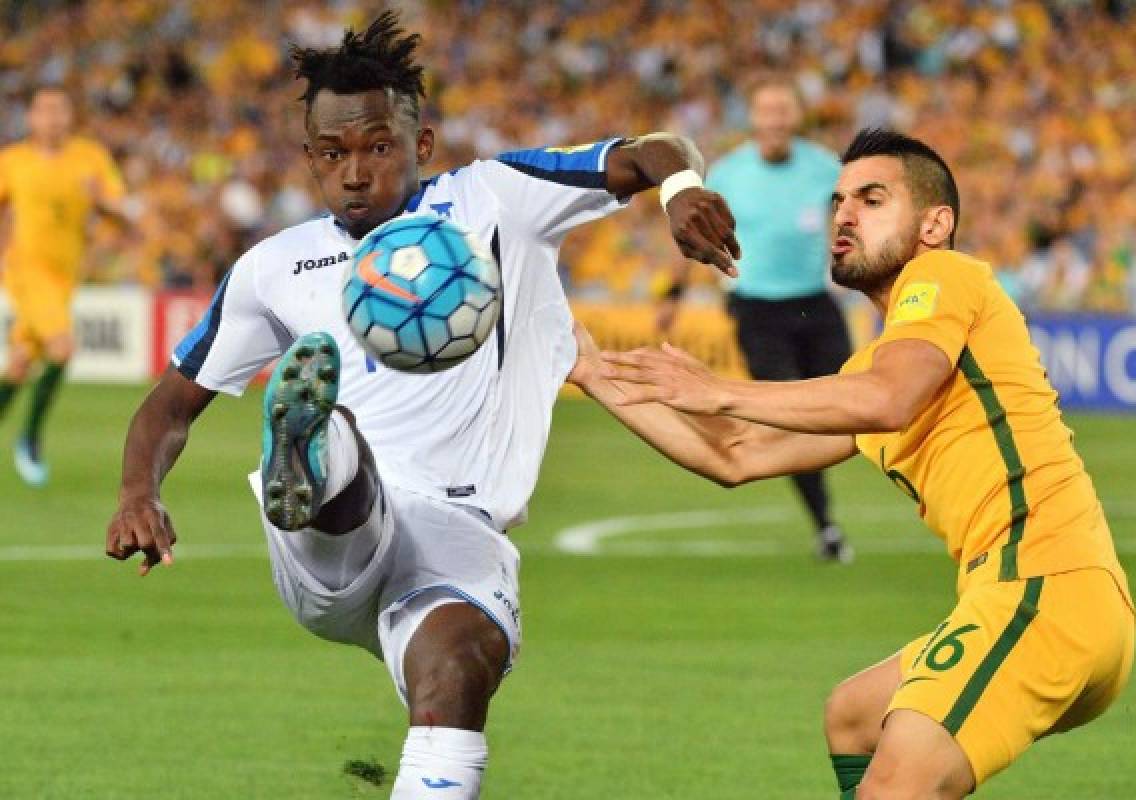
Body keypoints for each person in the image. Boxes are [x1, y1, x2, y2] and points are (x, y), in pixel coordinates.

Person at [104, 13, 739, 800]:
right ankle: (310, 451)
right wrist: (141, 494)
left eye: (378, 146)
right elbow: (169, 405)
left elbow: (651, 148)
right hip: (331, 543)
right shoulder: (274, 267)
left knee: (458, 667)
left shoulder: (496, 199)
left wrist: (678, 190)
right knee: (337, 442)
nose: (356, 171)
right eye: (333, 154)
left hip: (458, 535)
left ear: (423, 145)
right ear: (309, 160)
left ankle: (312, 444)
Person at [572, 128, 1135, 799]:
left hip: (1046, 587)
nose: (844, 214)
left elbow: (891, 399)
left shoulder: (943, 276)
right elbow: (733, 453)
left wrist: (720, 389)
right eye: (839, 200)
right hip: (1020, 597)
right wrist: (592, 371)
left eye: (872, 199)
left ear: (935, 224)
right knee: (855, 715)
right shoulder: (875, 366)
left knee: (893, 787)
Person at [657, 75, 853, 562]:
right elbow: (693, 235)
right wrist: (674, 293)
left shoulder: (826, 168)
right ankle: (826, 526)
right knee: (792, 417)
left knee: (863, 406)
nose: (775, 121)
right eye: (767, 112)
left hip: (816, 302)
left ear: (796, 117)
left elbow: (857, 226)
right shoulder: (728, 173)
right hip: (756, 306)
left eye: (783, 111)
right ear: (754, 119)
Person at [0, 85, 130, 486]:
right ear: (32, 118)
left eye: (60, 109)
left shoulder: (89, 158)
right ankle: (30, 439)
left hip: (65, 277)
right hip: (27, 271)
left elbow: (120, 213)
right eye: (44, 110)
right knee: (62, 346)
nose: (52, 117)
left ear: (70, 116)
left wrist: (100, 201)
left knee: (21, 363)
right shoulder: (13, 161)